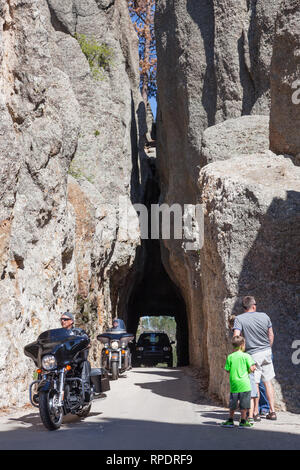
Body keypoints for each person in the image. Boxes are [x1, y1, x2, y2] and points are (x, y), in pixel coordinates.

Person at [233, 296, 277, 420]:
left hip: (252, 354)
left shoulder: (239, 319)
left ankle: (255, 412)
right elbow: (271, 334)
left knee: (255, 383)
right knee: (268, 381)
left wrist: (239, 353)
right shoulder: (265, 316)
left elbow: (236, 336)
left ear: (244, 307)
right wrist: (268, 347)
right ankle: (272, 412)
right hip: (267, 351)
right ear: (253, 306)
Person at [222, 335, 256, 428]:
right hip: (244, 384)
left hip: (234, 384)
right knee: (244, 404)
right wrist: (252, 369)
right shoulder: (246, 356)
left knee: (233, 403)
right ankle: (243, 421)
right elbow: (252, 368)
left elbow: (227, 370)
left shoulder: (230, 357)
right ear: (242, 345)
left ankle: (230, 420)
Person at [60, 312, 91, 401]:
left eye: (65, 319)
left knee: (85, 363)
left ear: (71, 321)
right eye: (61, 319)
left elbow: (86, 339)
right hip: (62, 361)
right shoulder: (59, 333)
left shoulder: (78, 332)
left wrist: (86, 343)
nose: (63, 321)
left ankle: (85, 390)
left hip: (76, 360)